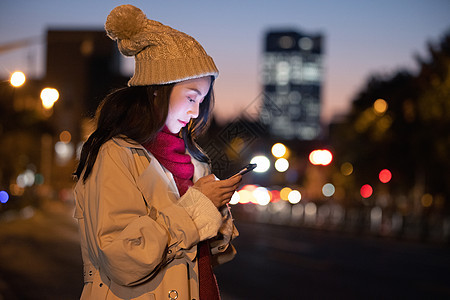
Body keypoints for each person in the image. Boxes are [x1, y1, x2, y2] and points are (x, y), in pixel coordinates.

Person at [73, 4, 241, 300]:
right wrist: (197, 206)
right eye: (191, 96)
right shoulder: (115, 154)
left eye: (201, 100)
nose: (195, 111)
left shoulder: (194, 160)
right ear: (157, 89)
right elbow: (122, 259)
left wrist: (216, 211)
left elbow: (208, 255)